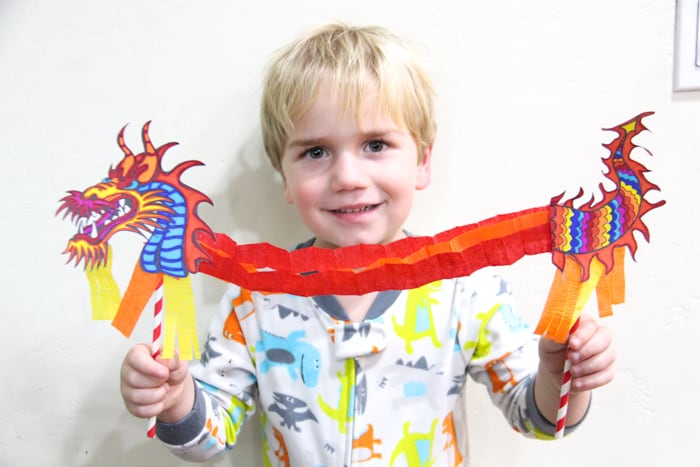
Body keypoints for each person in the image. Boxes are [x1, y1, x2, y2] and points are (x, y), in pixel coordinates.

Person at [120, 23, 615, 465]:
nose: (349, 177)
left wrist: (558, 375)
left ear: (422, 161)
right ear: (285, 181)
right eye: (315, 152)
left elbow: (539, 419)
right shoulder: (254, 300)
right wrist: (177, 399)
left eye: (375, 145)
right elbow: (209, 441)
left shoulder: (468, 290)